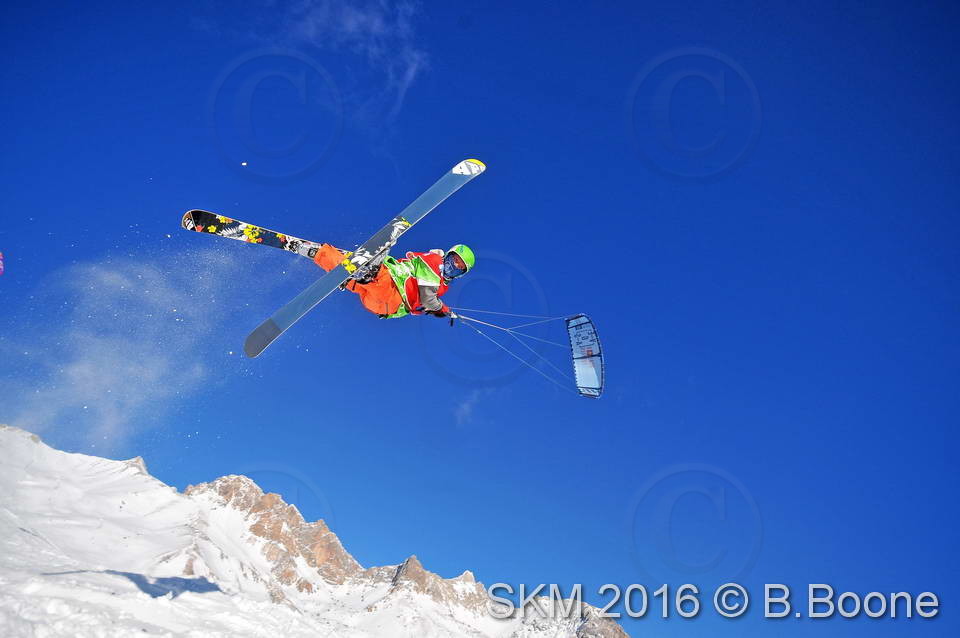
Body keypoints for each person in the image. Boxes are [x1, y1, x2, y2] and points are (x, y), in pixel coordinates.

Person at [312, 242, 475, 319]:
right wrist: (440, 308)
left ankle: (369, 272)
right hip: (379, 305)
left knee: (378, 278)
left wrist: (439, 309)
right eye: (453, 260)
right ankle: (321, 254)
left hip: (392, 295)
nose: (452, 266)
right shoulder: (435, 261)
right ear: (447, 255)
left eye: (458, 268)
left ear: (459, 274)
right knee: (353, 277)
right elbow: (428, 298)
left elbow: (427, 299)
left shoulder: (440, 283)